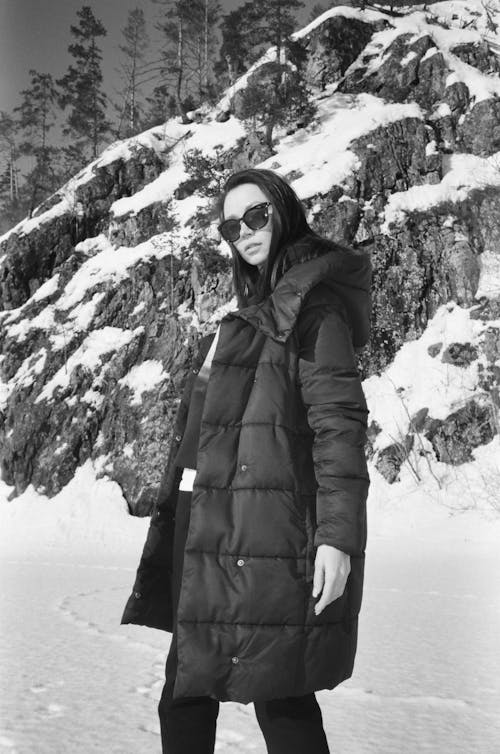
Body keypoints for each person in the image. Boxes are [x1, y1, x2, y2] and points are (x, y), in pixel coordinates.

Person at [121, 167, 371, 753]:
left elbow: (338, 427)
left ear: (284, 209)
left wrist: (336, 536)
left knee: (278, 687)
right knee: (187, 681)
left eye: (257, 214)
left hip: (263, 525)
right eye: (232, 225)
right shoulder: (256, 305)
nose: (246, 232)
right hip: (203, 513)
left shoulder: (313, 306)